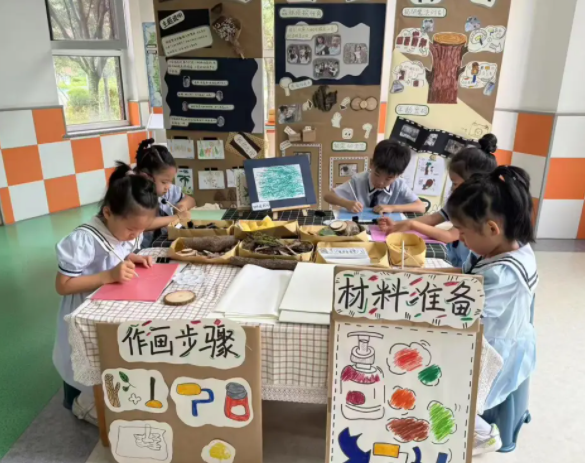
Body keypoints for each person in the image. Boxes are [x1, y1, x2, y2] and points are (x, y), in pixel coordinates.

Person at [53, 166, 159, 424]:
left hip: (108, 302)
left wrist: (132, 257)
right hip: (83, 308)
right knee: (88, 359)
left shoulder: (122, 230)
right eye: (132, 230)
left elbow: (118, 249)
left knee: (111, 354)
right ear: (108, 213)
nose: (135, 236)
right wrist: (108, 276)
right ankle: (83, 402)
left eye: (140, 231)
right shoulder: (84, 240)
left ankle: (110, 394)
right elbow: (63, 285)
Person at [446, 165, 537, 455]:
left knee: (446, 382)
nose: (460, 239)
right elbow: (468, 280)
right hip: (495, 336)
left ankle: (483, 435)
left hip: (495, 351)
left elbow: (465, 313)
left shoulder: (503, 273)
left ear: (491, 228)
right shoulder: (507, 248)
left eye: (463, 233)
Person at [378, 134, 498, 266]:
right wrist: (397, 224)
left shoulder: (479, 209)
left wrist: (412, 224)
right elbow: (433, 218)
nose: (452, 188)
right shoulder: (458, 200)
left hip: (467, 264)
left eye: (455, 183)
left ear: (474, 182)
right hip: (454, 257)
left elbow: (449, 236)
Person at [324, 140, 425, 214]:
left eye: (388, 178)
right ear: (371, 164)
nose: (380, 182)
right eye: (377, 174)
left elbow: (421, 207)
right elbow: (328, 196)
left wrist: (393, 208)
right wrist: (346, 203)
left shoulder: (399, 185)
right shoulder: (358, 181)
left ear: (399, 174)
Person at [131, 139, 195, 247]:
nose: (168, 186)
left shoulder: (165, 190)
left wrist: (182, 205)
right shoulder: (132, 194)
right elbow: (142, 224)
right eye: (164, 182)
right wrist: (176, 217)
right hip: (140, 250)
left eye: (170, 181)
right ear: (146, 177)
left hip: (161, 243)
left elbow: (191, 200)